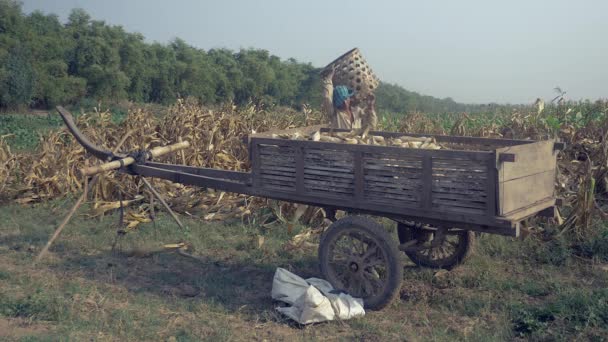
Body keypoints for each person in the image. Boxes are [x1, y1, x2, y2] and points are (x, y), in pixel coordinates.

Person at [321, 66, 377, 136]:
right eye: (348, 97)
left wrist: (370, 106)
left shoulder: (357, 111)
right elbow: (327, 97)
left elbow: (371, 126)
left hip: (357, 144)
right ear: (345, 101)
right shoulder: (335, 113)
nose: (350, 99)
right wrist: (329, 79)